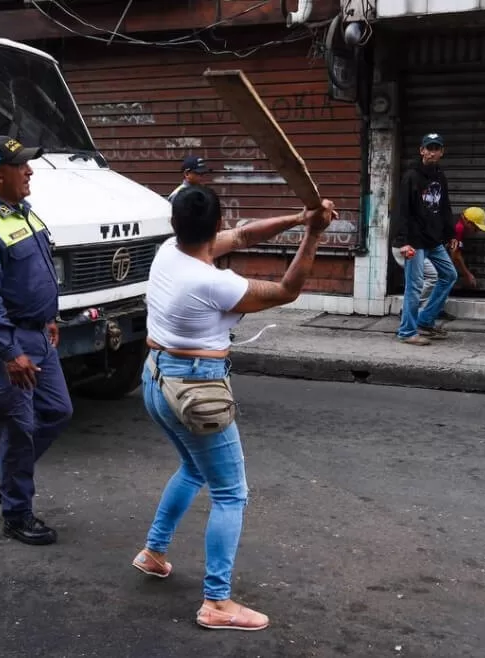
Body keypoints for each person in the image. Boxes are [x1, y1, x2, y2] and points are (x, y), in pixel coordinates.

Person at [131, 184, 336, 631]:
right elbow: (285, 290)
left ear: (175, 223)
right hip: (196, 391)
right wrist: (315, 236)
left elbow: (243, 238)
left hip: (156, 379)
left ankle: (153, 552)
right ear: (215, 224)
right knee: (231, 492)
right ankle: (216, 601)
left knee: (192, 469)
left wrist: (302, 219)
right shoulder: (214, 282)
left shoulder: (169, 252)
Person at [0, 135, 73, 546]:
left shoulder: (24, 214)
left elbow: (39, 272)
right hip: (10, 343)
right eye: (21, 165)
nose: (29, 171)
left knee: (58, 412)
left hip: (40, 333)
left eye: (28, 163)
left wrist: (51, 317)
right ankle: (17, 513)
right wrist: (10, 353)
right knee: (20, 429)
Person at [392, 133, 459, 346]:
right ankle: (406, 332)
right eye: (428, 148)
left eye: (436, 148)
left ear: (441, 152)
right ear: (421, 150)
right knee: (415, 285)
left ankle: (425, 321)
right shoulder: (411, 176)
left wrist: (450, 235)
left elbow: (445, 208)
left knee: (449, 275)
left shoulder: (440, 176)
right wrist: (403, 241)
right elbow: (401, 210)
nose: (432, 152)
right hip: (414, 240)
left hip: (433, 239)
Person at [449, 206, 485, 289]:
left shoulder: (456, 221)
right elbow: (455, 255)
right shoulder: (459, 227)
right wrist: (468, 275)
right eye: (476, 228)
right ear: (468, 222)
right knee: (447, 275)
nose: (477, 232)